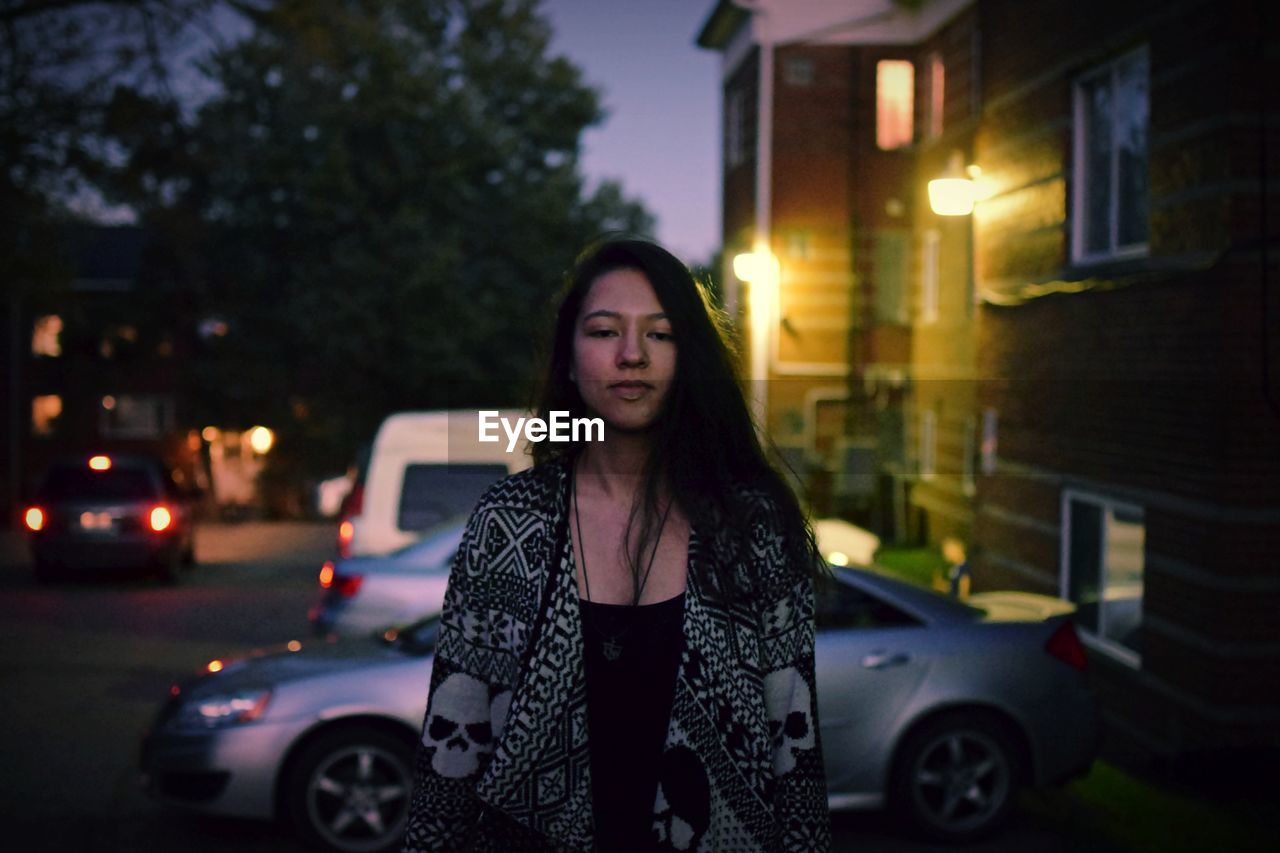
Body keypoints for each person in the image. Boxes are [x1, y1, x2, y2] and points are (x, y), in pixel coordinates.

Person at [403, 238, 830, 852]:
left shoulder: (751, 523)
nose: (632, 356)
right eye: (605, 332)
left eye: (661, 334)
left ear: (690, 358)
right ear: (570, 362)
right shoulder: (510, 521)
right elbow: (450, 753)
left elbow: (796, 752)